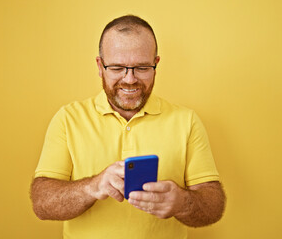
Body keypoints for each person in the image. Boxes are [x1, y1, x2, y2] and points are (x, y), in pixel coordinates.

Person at [30, 15, 226, 239]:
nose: (130, 79)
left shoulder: (187, 121)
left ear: (156, 65)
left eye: (142, 67)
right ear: (99, 66)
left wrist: (182, 203)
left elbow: (213, 207)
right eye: (117, 67)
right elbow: (41, 204)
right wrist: (92, 187)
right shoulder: (67, 119)